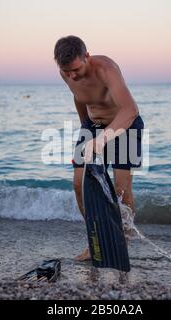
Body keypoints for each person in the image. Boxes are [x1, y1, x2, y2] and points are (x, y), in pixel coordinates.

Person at [54, 35, 144, 261]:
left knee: (121, 189)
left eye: (75, 69)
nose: (71, 75)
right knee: (79, 184)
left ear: (87, 56)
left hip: (125, 126)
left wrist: (102, 139)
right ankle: (97, 241)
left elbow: (130, 109)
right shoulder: (67, 72)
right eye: (66, 71)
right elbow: (79, 96)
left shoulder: (106, 69)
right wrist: (86, 127)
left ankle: (121, 243)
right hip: (94, 127)